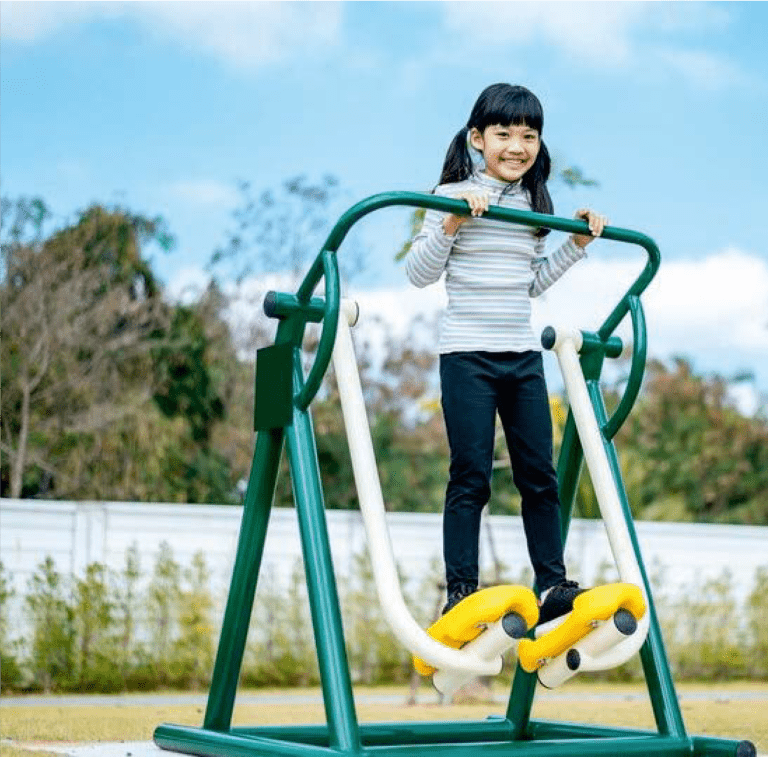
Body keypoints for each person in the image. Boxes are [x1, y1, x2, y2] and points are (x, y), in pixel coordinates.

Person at [405, 83, 607, 624]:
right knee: (470, 475)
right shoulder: (447, 192)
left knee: (538, 475)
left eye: (528, 135)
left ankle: (552, 585)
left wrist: (576, 245)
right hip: (468, 355)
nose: (516, 146)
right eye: (503, 134)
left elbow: (533, 284)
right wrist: (453, 221)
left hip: (521, 359)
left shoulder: (535, 204)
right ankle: (461, 591)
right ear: (477, 138)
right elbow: (418, 274)